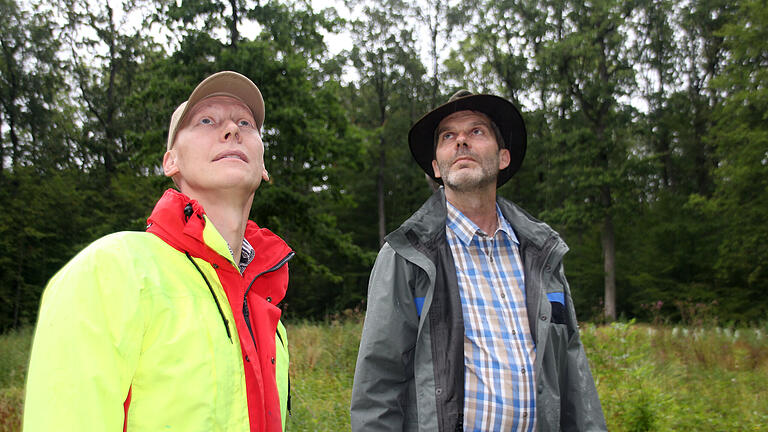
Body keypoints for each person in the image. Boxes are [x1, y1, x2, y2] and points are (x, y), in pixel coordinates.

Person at [23, 71, 293, 432]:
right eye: (207, 120)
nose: (232, 130)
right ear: (171, 162)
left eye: (245, 122)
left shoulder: (269, 316)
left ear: (263, 168)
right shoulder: (112, 271)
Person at [351, 90, 607, 431]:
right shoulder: (407, 255)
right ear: (436, 167)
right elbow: (377, 384)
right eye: (447, 136)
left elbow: (572, 372)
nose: (460, 142)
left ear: (503, 157)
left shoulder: (542, 254)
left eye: (476, 131)